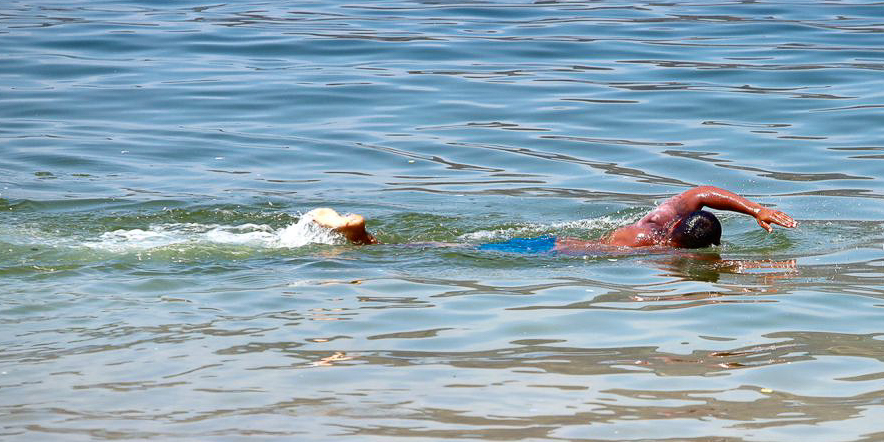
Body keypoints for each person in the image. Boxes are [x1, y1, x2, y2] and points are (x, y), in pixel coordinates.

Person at [306, 184, 797, 251]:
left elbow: (700, 193)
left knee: (456, 244)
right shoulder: (663, 256)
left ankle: (362, 235)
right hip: (555, 253)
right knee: (445, 251)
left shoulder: (656, 222)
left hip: (553, 239)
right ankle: (363, 238)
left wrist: (756, 208)